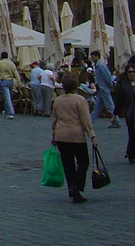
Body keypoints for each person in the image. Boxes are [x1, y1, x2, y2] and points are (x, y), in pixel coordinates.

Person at [51, 71, 98, 203]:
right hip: (76, 135)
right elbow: (86, 120)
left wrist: (53, 135)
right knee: (83, 162)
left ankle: (73, 189)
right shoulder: (80, 100)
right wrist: (92, 136)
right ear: (76, 85)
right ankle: (76, 186)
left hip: (61, 135)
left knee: (68, 165)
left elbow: (54, 119)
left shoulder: (58, 100)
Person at [89, 50, 119, 127]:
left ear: (97, 57)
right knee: (97, 107)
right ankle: (89, 122)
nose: (91, 58)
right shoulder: (97, 66)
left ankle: (117, 121)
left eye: (92, 57)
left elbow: (107, 77)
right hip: (101, 89)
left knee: (110, 106)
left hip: (104, 89)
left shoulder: (101, 66)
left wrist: (111, 85)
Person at [115, 63, 134, 162]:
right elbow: (120, 100)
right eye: (130, 72)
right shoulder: (125, 85)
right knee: (132, 134)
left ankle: (130, 152)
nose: (132, 74)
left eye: (133, 72)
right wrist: (115, 114)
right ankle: (131, 153)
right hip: (130, 114)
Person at [0, 51, 20, 119]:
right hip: (11, 81)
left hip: (4, 80)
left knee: (7, 97)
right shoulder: (11, 64)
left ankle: (11, 112)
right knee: (8, 97)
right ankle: (6, 111)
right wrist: (18, 81)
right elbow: (15, 73)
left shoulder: (0, 63)